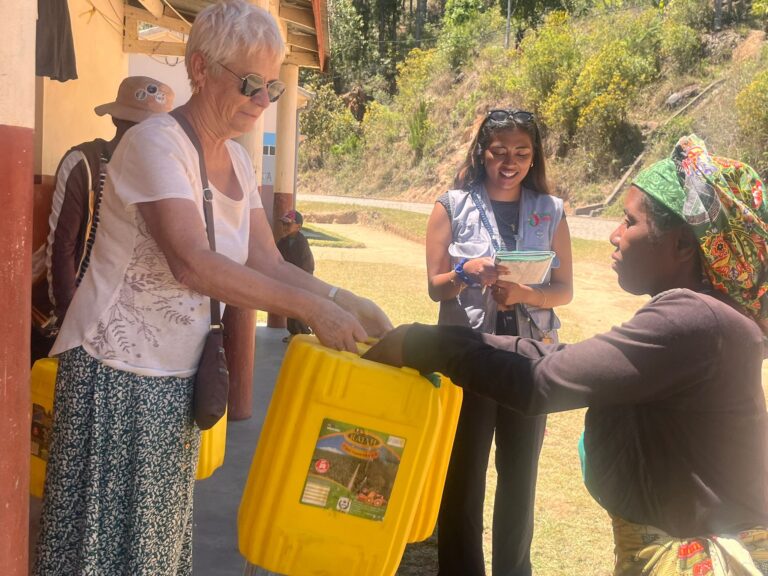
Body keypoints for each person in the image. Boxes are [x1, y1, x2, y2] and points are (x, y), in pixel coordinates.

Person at [33, 2, 392, 574]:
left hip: (173, 381)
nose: (261, 100)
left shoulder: (238, 162)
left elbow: (267, 262)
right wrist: (307, 309)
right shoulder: (156, 143)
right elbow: (192, 264)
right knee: (102, 554)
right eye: (251, 82)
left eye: (272, 88)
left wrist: (341, 300)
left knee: (150, 551)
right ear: (200, 68)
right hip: (113, 376)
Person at [365, 134, 768, 575]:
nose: (614, 236)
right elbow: (566, 359)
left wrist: (422, 343)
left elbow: (543, 381)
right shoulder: (706, 320)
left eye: (629, 223)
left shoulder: (694, 321)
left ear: (682, 246)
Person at [425, 107, 573, 575]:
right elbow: (435, 286)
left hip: (528, 361)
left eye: (522, 153)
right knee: (463, 478)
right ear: (482, 153)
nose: (510, 162)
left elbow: (564, 289)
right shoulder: (451, 206)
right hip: (469, 358)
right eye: (499, 152)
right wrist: (468, 272)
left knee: (519, 480)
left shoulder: (551, 210)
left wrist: (528, 292)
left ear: (534, 158)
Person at [30, 76, 175, 362]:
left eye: (147, 129)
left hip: (130, 321)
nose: (138, 136)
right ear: (116, 122)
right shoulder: (84, 162)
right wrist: (70, 320)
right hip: (77, 312)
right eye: (132, 125)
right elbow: (62, 245)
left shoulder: (166, 177)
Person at [276, 209, 314, 339]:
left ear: (298, 226)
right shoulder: (282, 242)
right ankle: (293, 333)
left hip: (301, 280)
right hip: (288, 280)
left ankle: (303, 333)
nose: (285, 227)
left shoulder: (302, 243)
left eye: (289, 224)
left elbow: (307, 264)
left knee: (300, 308)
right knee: (290, 307)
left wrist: (303, 280)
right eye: (284, 224)